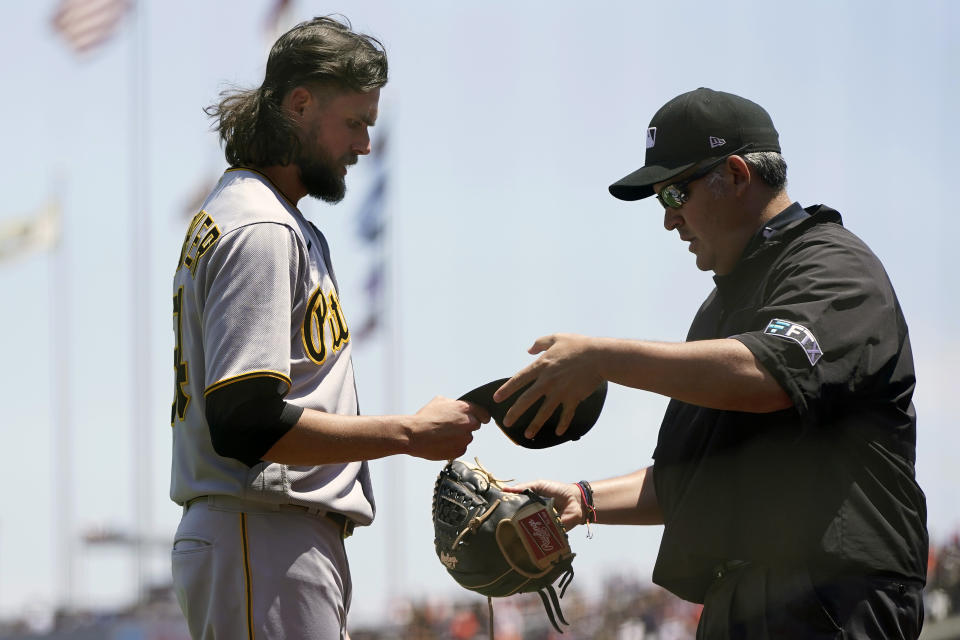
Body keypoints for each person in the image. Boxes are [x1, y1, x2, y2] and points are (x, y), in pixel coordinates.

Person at [494, 88, 928, 639]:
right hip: (741, 602)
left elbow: (767, 375)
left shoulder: (834, 266)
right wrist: (583, 500)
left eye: (676, 191)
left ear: (739, 175)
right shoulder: (721, 307)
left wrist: (601, 357)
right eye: (660, 199)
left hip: (831, 595)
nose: (670, 219)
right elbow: (688, 480)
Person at [169, 16, 488, 640]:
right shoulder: (260, 227)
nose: (364, 145)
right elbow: (245, 420)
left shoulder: (259, 215)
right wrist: (408, 433)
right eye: (355, 123)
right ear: (299, 105)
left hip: (265, 535)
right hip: (260, 531)